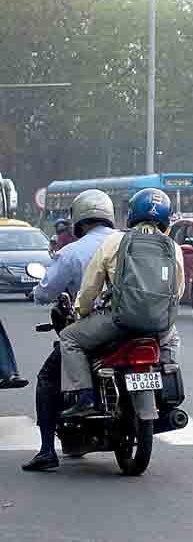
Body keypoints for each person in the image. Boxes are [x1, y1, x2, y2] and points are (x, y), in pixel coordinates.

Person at [57, 188, 184, 421]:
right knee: (172, 338)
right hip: (158, 324)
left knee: (69, 339)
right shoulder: (171, 247)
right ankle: (167, 383)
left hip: (118, 321)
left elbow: (90, 287)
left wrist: (81, 313)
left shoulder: (114, 241)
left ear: (132, 213)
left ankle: (85, 397)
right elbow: (178, 290)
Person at [22, 190, 118, 471]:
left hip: (96, 324)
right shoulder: (127, 241)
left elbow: (48, 289)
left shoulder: (72, 252)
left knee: (47, 377)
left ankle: (47, 450)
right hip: (137, 324)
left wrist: (36, 294)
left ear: (79, 219)